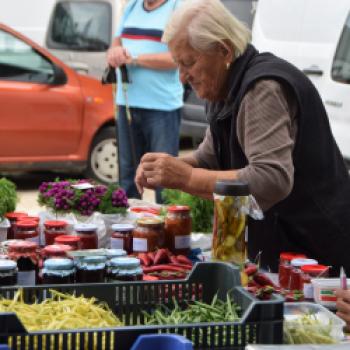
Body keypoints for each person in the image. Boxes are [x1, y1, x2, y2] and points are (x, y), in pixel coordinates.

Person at [135, 0, 350, 273]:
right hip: (283, 253)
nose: (182, 77)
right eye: (178, 64)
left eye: (189, 63)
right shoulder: (224, 88)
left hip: (314, 256)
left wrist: (185, 177)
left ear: (224, 51)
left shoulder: (262, 89)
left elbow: (270, 179)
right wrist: (165, 168)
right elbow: (210, 160)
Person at [106, 0, 183, 203]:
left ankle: (169, 229)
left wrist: (135, 58)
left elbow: (177, 57)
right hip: (127, 103)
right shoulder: (132, 6)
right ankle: (128, 231)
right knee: (127, 177)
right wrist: (115, 54)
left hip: (162, 107)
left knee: (164, 178)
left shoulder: (177, 7)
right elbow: (116, 44)